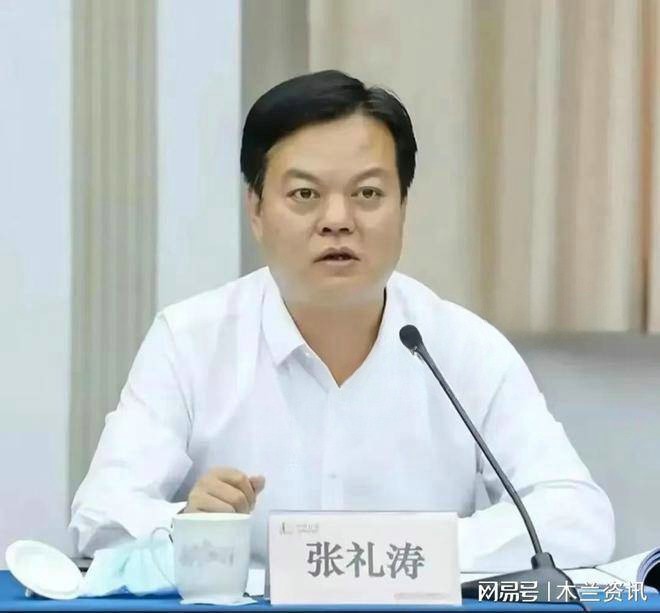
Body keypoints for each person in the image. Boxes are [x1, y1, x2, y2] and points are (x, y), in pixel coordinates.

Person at [70, 70, 615, 571]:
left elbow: (578, 517)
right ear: (256, 209)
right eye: (305, 194)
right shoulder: (191, 341)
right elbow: (99, 517)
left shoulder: (464, 349)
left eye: (368, 194)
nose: (337, 220)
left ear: (403, 207)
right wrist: (186, 526)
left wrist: (396, 554)